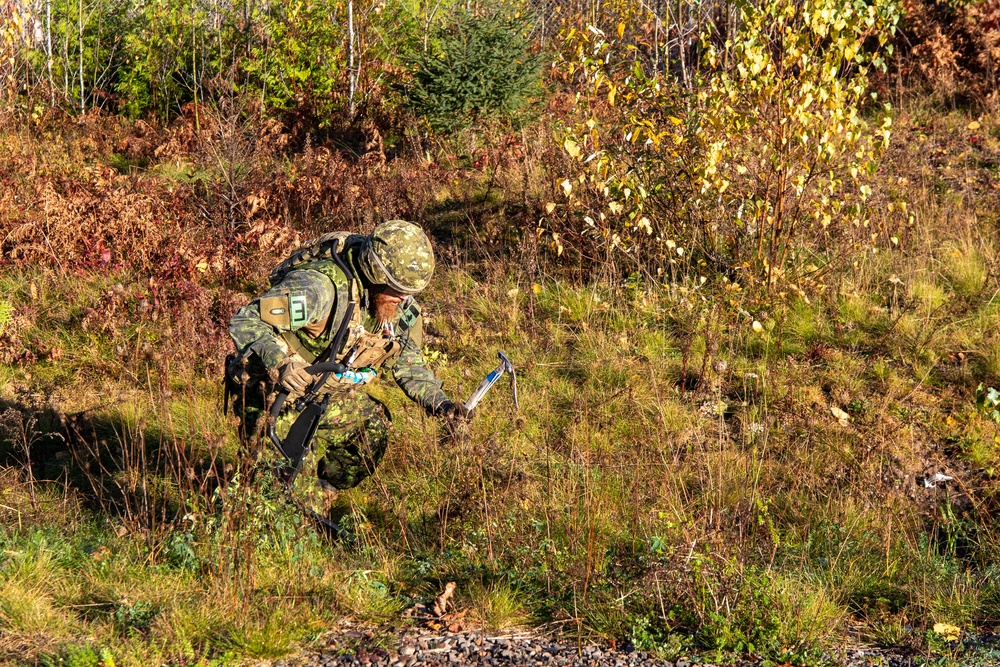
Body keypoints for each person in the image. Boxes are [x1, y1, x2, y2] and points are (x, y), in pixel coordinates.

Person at [226, 220, 472, 514]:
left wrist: (442, 406)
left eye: (410, 292)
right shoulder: (320, 289)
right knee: (281, 511)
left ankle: (321, 493)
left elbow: (409, 364)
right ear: (375, 273)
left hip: (324, 397)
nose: (404, 299)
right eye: (397, 289)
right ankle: (275, 496)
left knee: (374, 425)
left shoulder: (396, 305)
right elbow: (245, 320)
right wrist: (280, 363)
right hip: (272, 397)